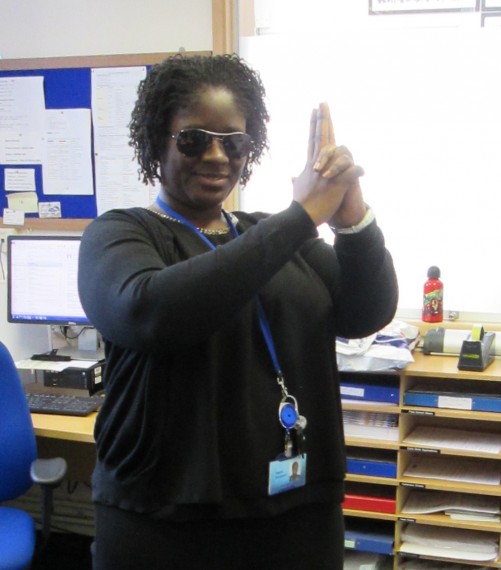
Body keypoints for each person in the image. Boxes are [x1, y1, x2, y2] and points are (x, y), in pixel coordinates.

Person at [78, 53, 398, 570]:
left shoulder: (273, 234)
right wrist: (302, 216)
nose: (217, 156)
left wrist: (351, 219)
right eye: (194, 139)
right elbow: (150, 313)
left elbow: (366, 312)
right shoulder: (120, 234)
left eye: (233, 142)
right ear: (158, 140)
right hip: (164, 522)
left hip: (297, 511)